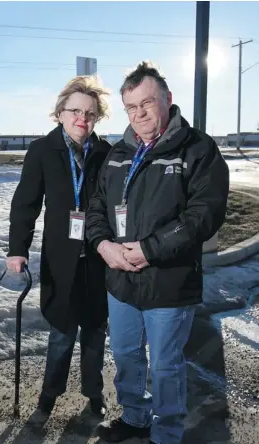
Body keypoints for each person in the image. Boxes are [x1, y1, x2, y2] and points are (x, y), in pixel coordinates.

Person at [86, 61, 229, 443]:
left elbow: (204, 215)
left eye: (147, 102)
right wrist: (103, 245)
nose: (140, 113)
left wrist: (149, 250)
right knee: (127, 354)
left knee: (166, 366)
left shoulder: (197, 149)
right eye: (131, 107)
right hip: (120, 280)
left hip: (168, 281)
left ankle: (166, 434)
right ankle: (135, 417)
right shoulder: (118, 153)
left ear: (167, 99)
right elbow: (97, 206)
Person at [7, 75, 111, 418]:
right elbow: (26, 204)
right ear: (61, 113)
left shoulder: (106, 154)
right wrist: (17, 248)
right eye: (76, 111)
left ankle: (94, 393)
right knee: (62, 334)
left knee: (96, 332)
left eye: (90, 113)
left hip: (99, 260)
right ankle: (49, 396)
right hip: (61, 260)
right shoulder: (42, 151)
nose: (83, 118)